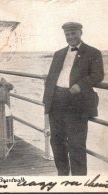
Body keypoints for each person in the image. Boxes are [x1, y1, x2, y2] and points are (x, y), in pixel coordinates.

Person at [42, 22, 104, 176]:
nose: (71, 37)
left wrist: (80, 85)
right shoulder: (58, 54)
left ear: (80, 33)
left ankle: (79, 181)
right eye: (67, 35)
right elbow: (50, 78)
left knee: (76, 144)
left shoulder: (93, 52)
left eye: (73, 33)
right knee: (56, 142)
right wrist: (47, 101)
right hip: (56, 101)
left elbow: (98, 75)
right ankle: (62, 176)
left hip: (77, 103)